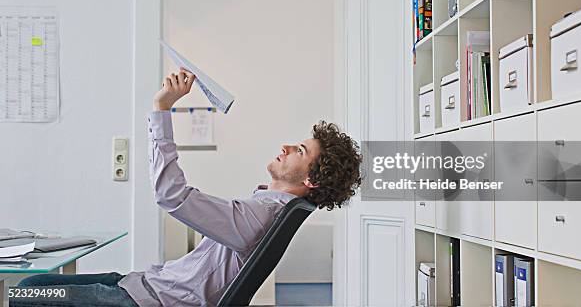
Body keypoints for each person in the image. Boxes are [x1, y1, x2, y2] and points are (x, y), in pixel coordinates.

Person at [14, 68, 362, 306]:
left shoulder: (259, 215)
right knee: (28, 287)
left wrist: (162, 108)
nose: (286, 147)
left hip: (146, 300)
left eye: (299, 151)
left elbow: (172, 196)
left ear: (310, 180)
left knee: (24, 295)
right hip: (144, 286)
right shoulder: (267, 209)